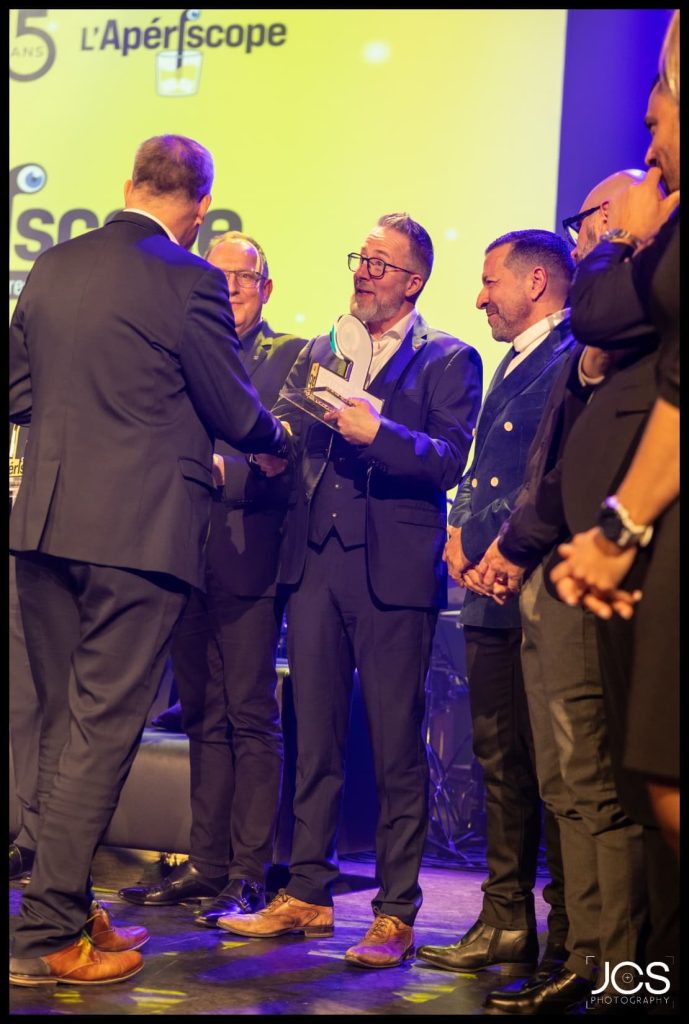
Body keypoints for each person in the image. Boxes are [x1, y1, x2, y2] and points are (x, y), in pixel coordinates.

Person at [8, 134, 289, 987]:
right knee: (100, 734)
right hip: (136, 537)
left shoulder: (51, 264)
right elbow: (233, 410)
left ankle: (61, 904)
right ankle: (44, 937)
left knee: (63, 727)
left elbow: (16, 392)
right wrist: (276, 437)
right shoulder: (189, 279)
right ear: (200, 207)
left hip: (45, 527)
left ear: (128, 185)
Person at [217, 212, 482, 968]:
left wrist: (380, 434)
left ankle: (394, 911)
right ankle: (306, 892)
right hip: (314, 566)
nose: (362, 273)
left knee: (395, 744)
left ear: (413, 280)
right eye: (358, 260)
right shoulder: (320, 352)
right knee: (316, 737)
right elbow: (289, 432)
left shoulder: (449, 358)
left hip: (392, 573)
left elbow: (448, 460)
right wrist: (269, 452)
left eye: (378, 263)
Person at [473, 171, 651, 1015]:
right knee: (561, 782)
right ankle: (581, 957)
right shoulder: (589, 339)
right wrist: (514, 544)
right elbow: (552, 459)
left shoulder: (630, 306)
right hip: (550, 562)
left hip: (594, 560)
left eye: (586, 223)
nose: (580, 240)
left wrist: (614, 241)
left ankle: (622, 973)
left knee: (591, 780)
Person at [119, 231, 306, 923]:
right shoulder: (185, 344)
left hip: (250, 557)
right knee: (200, 713)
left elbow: (289, 458)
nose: (228, 288)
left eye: (242, 278)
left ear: (266, 288)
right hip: (184, 553)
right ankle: (205, 864)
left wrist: (226, 470)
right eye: (217, 276)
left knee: (249, 716)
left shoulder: (291, 355)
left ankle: (248, 872)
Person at [548, 45, 679, 1010]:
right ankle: (638, 977)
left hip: (649, 534)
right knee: (626, 777)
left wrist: (626, 236)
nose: (650, 134)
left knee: (645, 778)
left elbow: (595, 309)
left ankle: (634, 976)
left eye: (659, 105)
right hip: (628, 545)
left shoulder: (647, 241)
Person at [417, 230, 575, 979]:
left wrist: (494, 546)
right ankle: (504, 921)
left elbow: (548, 475)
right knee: (498, 762)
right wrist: (456, 532)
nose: (479, 297)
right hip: (484, 591)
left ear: (535, 282)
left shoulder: (571, 354)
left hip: (531, 585)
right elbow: (483, 467)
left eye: (489, 282)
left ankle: (570, 933)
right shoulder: (512, 358)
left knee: (551, 772)